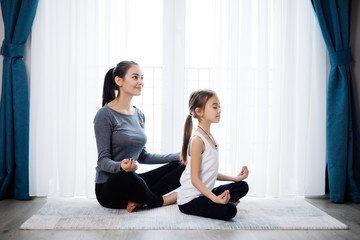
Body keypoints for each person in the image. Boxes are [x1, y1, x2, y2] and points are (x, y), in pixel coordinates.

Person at [94, 61, 185, 212]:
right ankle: (161, 200)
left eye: (141, 78)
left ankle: (139, 200)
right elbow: (102, 160)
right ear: (119, 81)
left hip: (132, 182)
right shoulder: (104, 115)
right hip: (109, 188)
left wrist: (179, 156)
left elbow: (142, 156)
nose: (140, 82)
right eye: (135, 77)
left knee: (183, 166)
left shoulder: (139, 115)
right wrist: (120, 166)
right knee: (127, 176)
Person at [177, 89, 249, 220]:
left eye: (219, 106)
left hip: (204, 194)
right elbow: (195, 179)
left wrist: (235, 178)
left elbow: (210, 172)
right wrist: (215, 199)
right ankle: (221, 204)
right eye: (215, 107)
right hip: (190, 200)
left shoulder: (210, 137)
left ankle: (218, 203)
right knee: (230, 210)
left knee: (242, 186)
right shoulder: (197, 140)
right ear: (199, 111)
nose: (219, 110)